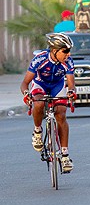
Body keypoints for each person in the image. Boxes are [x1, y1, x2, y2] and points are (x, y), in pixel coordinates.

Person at [20, 33, 77, 173]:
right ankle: (37, 131)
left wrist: (71, 92)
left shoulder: (68, 62)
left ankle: (64, 155)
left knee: (61, 114)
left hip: (57, 86)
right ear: (54, 50)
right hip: (40, 84)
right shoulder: (39, 59)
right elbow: (25, 83)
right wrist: (26, 94)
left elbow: (71, 84)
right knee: (38, 103)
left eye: (69, 51)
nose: (68, 54)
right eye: (65, 51)